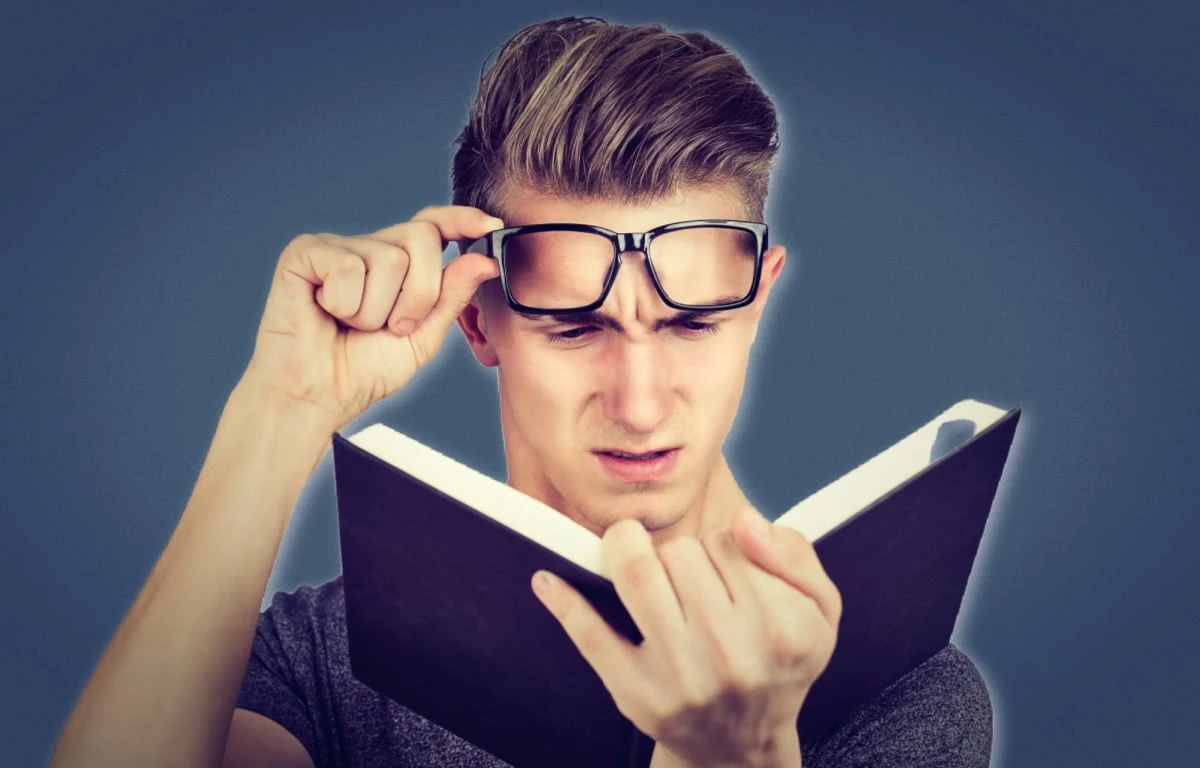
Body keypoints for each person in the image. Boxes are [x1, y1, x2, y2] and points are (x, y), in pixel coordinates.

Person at [49, 16, 992, 768]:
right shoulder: (331, 658)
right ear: (477, 321)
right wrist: (280, 408)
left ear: (756, 306)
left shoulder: (901, 690)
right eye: (575, 327)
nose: (640, 402)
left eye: (692, 325)